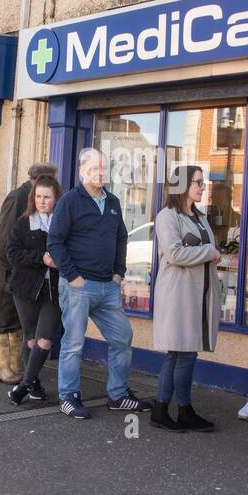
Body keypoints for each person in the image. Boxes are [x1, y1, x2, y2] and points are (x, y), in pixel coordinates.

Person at [47, 147, 151, 420]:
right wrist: (73, 277)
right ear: (82, 172)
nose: (101, 173)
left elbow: (121, 238)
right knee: (73, 343)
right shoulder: (70, 201)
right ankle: (68, 396)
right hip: (79, 286)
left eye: (104, 168)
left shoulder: (114, 202)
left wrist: (119, 273)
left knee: (122, 336)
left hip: (108, 287)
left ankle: (117, 394)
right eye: (95, 169)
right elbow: (54, 241)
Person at [150, 164, 220, 432]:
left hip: (198, 295)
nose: (203, 187)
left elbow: (204, 252)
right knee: (181, 353)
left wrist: (211, 253)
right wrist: (210, 252)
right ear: (183, 185)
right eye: (198, 182)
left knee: (182, 353)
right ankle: (179, 408)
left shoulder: (200, 218)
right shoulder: (167, 216)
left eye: (202, 182)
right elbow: (174, 254)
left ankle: (167, 407)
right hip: (178, 294)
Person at [0, 161, 59, 384]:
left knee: (22, 326)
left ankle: (19, 369)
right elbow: (2, 242)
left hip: (26, 272)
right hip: (9, 269)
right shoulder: (18, 197)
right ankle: (3, 368)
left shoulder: (39, 203)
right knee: (4, 315)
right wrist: (17, 271)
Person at [5, 174, 63, 406]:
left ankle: (23, 386)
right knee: (30, 339)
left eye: (47, 197)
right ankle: (35, 384)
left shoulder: (62, 223)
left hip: (55, 290)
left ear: (56, 198)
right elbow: (12, 254)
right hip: (26, 289)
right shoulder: (23, 223)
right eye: (38, 196)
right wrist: (41, 259)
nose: (42, 201)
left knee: (45, 340)